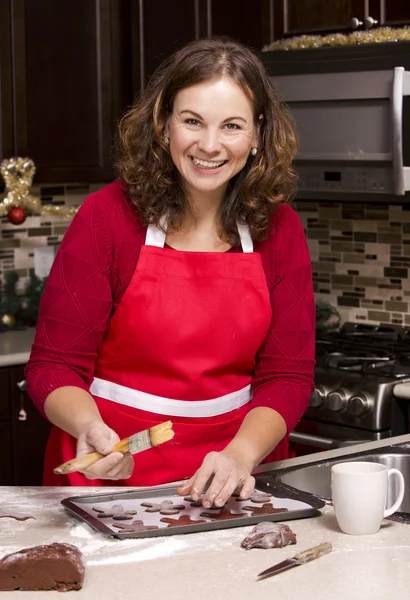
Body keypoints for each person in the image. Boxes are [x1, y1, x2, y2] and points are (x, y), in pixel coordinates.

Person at [25, 37, 315, 508]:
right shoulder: (106, 218)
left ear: (258, 134)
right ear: (164, 124)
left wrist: (240, 455)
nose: (209, 145)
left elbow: (289, 375)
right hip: (113, 471)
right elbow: (53, 366)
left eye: (232, 126)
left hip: (236, 477)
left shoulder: (279, 230)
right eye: (192, 121)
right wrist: (88, 428)